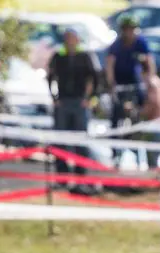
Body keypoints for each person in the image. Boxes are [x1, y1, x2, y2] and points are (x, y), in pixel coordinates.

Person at [47, 28, 100, 192]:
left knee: (80, 141)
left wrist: (90, 98)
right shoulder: (58, 56)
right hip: (63, 102)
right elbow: (50, 76)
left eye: (72, 38)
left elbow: (96, 77)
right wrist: (54, 98)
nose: (69, 41)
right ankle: (62, 177)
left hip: (79, 103)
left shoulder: (85, 56)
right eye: (67, 38)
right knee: (60, 141)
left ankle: (81, 178)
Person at [104, 15, 153, 129]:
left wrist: (150, 79)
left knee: (141, 99)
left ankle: (138, 123)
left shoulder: (140, 42)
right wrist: (111, 83)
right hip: (119, 78)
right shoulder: (117, 45)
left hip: (134, 78)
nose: (129, 33)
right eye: (126, 29)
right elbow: (110, 65)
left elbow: (149, 61)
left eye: (131, 29)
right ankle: (114, 134)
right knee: (117, 108)